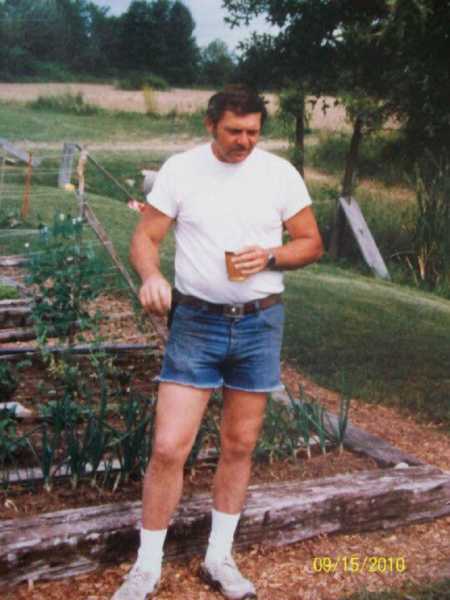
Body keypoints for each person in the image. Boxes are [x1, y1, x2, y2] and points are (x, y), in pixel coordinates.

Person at [112, 84, 323, 600]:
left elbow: (311, 242)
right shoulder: (181, 170)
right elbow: (146, 237)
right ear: (211, 124)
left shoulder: (280, 174)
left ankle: (219, 559)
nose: (244, 142)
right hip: (196, 323)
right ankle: (146, 567)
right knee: (168, 448)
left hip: (259, 325)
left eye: (253, 132)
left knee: (239, 445)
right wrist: (150, 277)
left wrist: (271, 256)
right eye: (234, 131)